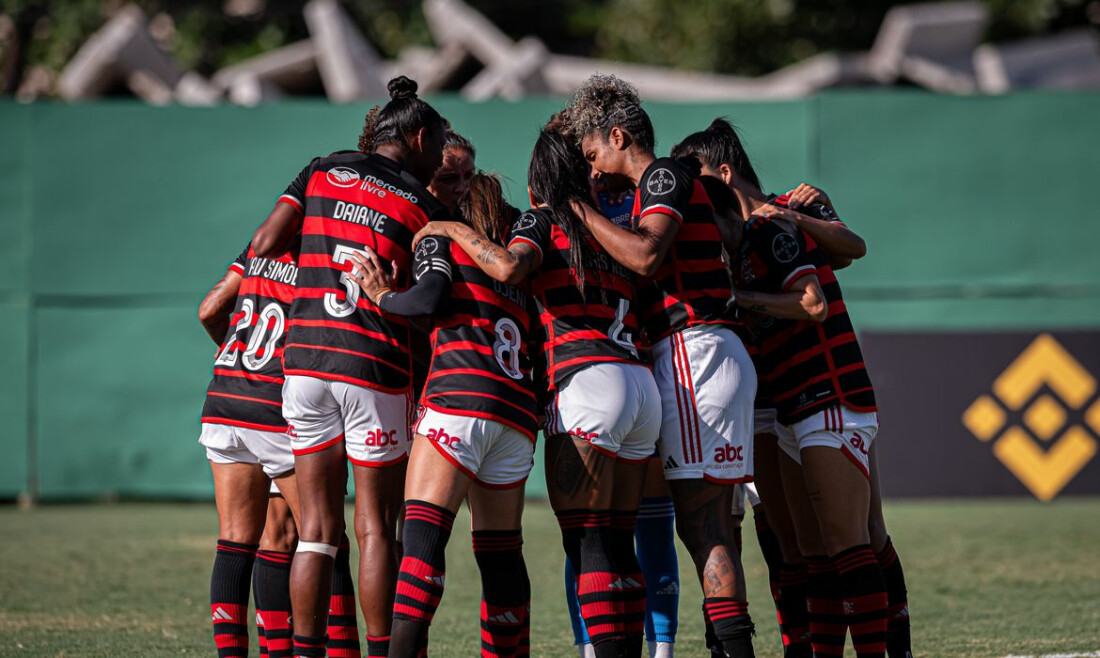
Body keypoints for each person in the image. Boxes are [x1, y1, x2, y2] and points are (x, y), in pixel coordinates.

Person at [414, 127, 661, 658]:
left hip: (588, 381)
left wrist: (453, 226)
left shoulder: (543, 217)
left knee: (588, 541)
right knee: (621, 542)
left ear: (534, 187)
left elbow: (510, 266)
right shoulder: (613, 226)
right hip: (642, 385)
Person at [674, 118, 911, 658]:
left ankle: (891, 646)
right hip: (779, 400)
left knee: (852, 541)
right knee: (802, 545)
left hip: (824, 391)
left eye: (699, 177)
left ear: (725, 173)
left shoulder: (777, 220)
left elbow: (834, 272)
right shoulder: (735, 235)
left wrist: (739, 297)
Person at [250, 75, 449, 658]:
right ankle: (386, 650)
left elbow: (264, 243)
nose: (439, 158)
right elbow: (423, 298)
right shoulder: (425, 207)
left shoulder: (319, 170)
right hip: (371, 363)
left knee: (314, 530)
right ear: (416, 138)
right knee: (374, 528)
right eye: (437, 145)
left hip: (306, 362)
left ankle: (308, 652)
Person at [566, 75, 758, 657]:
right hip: (705, 350)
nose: (593, 170)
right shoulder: (659, 182)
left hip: (694, 349)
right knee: (712, 526)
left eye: (594, 153)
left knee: (704, 529)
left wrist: (574, 208)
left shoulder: (663, 174)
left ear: (619, 135)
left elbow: (647, 255)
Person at [345, 171, 535, 658]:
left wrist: (381, 295)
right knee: (501, 555)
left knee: (422, 547)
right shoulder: (515, 264)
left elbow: (428, 298)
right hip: (515, 413)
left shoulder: (441, 237)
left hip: (459, 400)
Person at [197, 244, 361, 658]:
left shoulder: (259, 249)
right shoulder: (327, 254)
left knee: (245, 539)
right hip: (276, 404)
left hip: (225, 395)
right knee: (324, 538)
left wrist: (236, 355)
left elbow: (209, 309)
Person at [564, 172, 680, 658]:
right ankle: (635, 648)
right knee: (620, 526)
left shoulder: (576, 209)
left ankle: (633, 647)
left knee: (597, 528)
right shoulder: (629, 205)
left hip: (616, 368)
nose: (593, 166)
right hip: (640, 375)